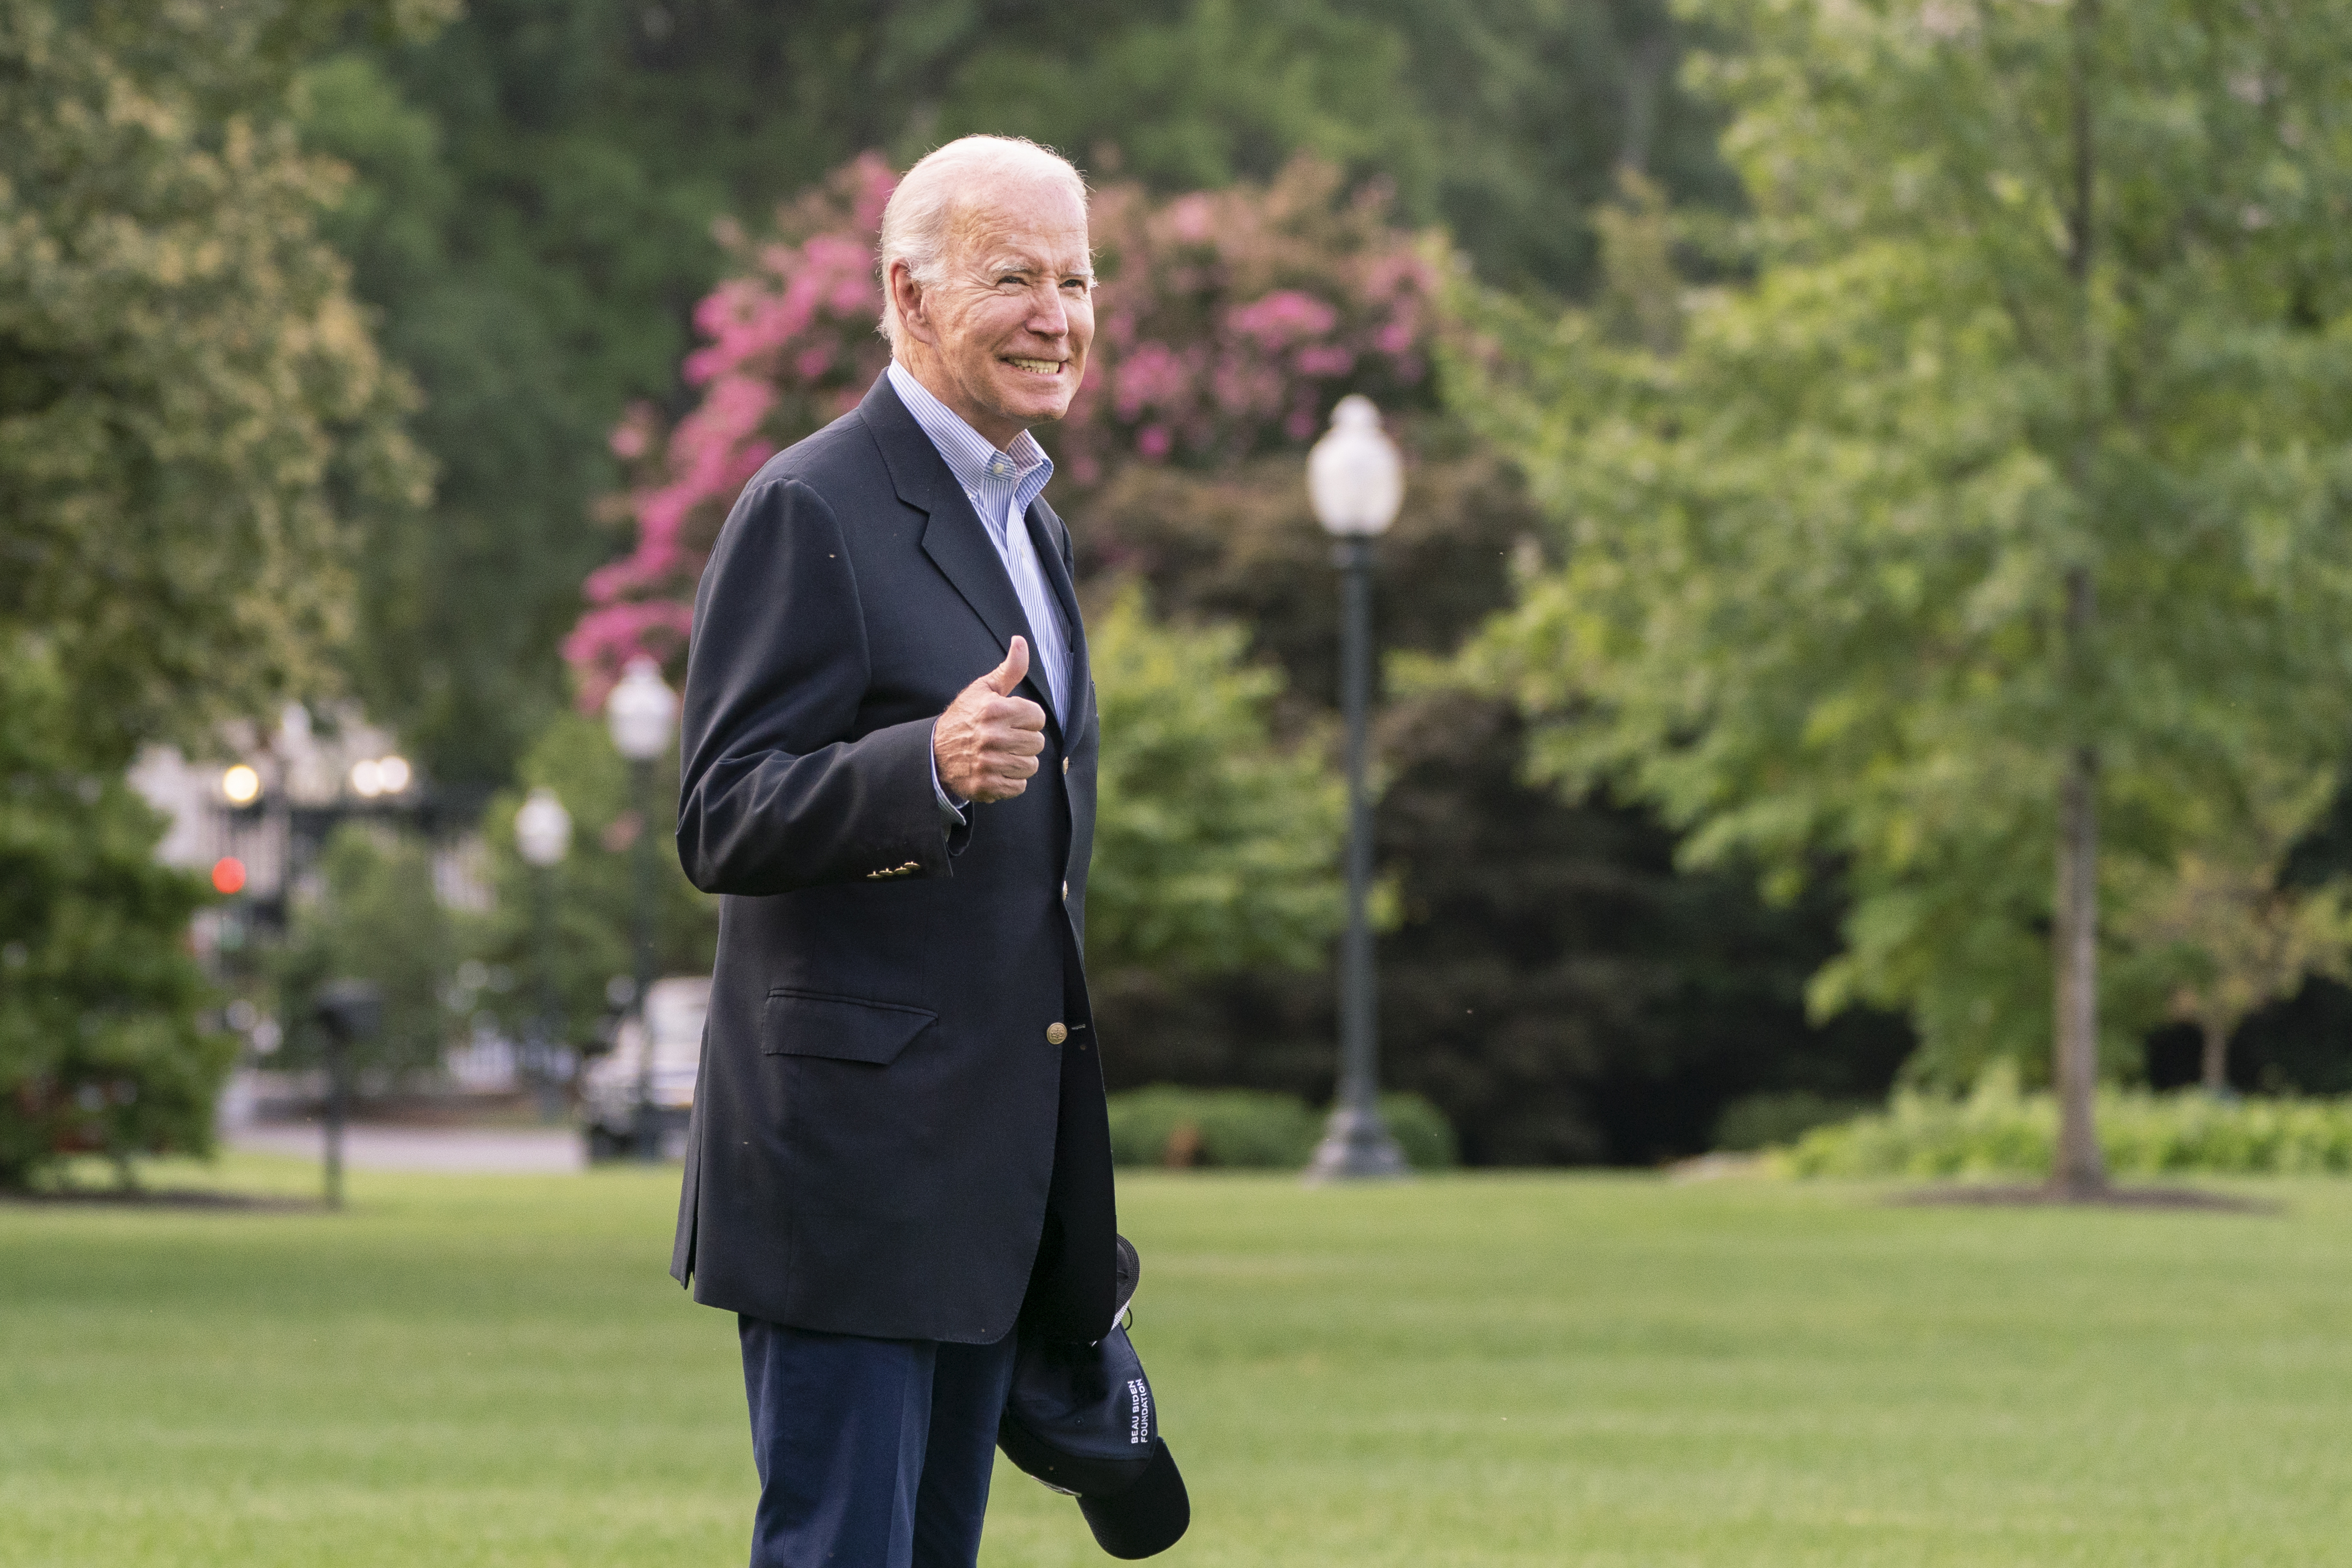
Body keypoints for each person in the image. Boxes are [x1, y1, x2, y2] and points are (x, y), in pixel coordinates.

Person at [668, 134, 1117, 1568]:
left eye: (1077, 277)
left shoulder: (1030, 526)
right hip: (849, 1176)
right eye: (1015, 278)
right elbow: (721, 812)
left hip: (986, 1177)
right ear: (909, 296)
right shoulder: (811, 504)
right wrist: (918, 764)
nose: (1057, 314)